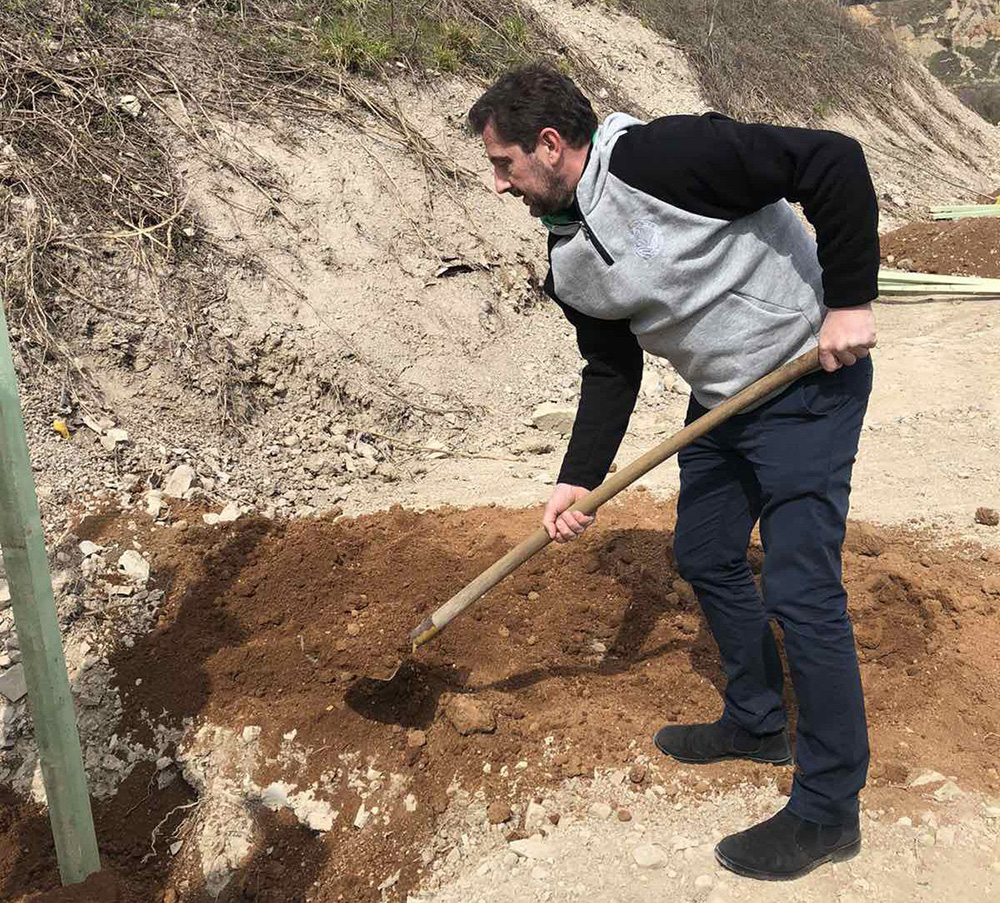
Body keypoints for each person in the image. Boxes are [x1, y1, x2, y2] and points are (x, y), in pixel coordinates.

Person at [468, 62, 878, 881]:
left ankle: (830, 809)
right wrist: (578, 477)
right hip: (724, 401)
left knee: (801, 589)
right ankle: (757, 721)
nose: (499, 184)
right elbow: (610, 367)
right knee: (705, 551)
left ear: (548, 145)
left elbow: (833, 160)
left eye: (504, 164)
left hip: (806, 377)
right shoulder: (568, 257)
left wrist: (849, 301)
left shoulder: (667, 157)